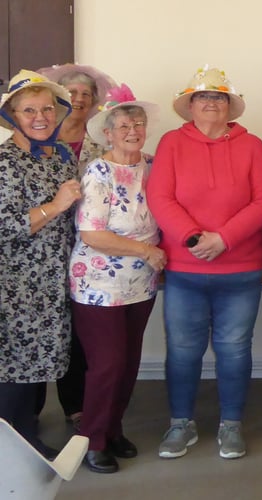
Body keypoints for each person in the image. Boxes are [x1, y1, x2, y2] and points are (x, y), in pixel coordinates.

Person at [147, 66, 262, 460]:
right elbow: (160, 197)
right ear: (190, 106)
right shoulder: (170, 143)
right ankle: (180, 424)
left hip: (241, 269)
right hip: (185, 269)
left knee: (235, 348)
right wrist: (193, 238)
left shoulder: (253, 146)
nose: (211, 104)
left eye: (219, 98)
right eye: (203, 97)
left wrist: (225, 238)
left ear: (230, 106)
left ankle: (231, 425)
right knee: (182, 350)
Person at [70, 84, 165, 473]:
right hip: (98, 283)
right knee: (107, 363)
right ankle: (91, 440)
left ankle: (112, 429)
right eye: (123, 124)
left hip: (142, 282)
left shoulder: (155, 164)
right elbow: (92, 233)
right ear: (107, 132)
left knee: (128, 363)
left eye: (138, 123)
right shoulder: (98, 171)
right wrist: (145, 250)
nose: (132, 130)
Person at [0, 69, 81, 458]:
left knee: (39, 363)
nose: (40, 117)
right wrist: (56, 206)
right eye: (29, 109)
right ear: (13, 114)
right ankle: (17, 446)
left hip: (53, 279)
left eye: (47, 108)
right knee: (15, 365)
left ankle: (24, 435)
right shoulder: (5, 162)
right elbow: (4, 225)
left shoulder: (60, 157)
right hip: (14, 281)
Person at [35, 63, 117, 431]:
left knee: (82, 329)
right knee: (40, 328)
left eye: (87, 94)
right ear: (57, 100)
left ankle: (75, 404)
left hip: (91, 252)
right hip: (42, 250)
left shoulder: (103, 143)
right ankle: (28, 411)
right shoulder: (36, 141)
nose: (80, 99)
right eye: (71, 93)